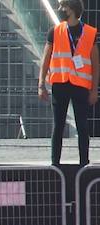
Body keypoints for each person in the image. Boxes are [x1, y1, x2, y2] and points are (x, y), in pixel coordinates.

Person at [40, 0, 98, 166]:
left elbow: (95, 63)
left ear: (72, 9)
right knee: (58, 126)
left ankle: (84, 163)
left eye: (63, 6)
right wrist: (41, 84)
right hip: (60, 83)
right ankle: (55, 163)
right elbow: (46, 59)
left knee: (82, 126)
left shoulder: (89, 32)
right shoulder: (55, 31)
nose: (60, 9)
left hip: (80, 85)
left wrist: (94, 90)